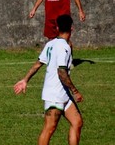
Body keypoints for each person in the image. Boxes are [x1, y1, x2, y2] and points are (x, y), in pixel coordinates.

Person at [14, 14, 83, 145]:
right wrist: (75, 91)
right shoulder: (64, 47)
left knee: (77, 122)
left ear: (57, 28)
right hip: (54, 95)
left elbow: (38, 64)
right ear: (72, 28)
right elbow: (62, 72)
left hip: (64, 94)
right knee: (49, 129)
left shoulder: (50, 44)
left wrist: (25, 79)